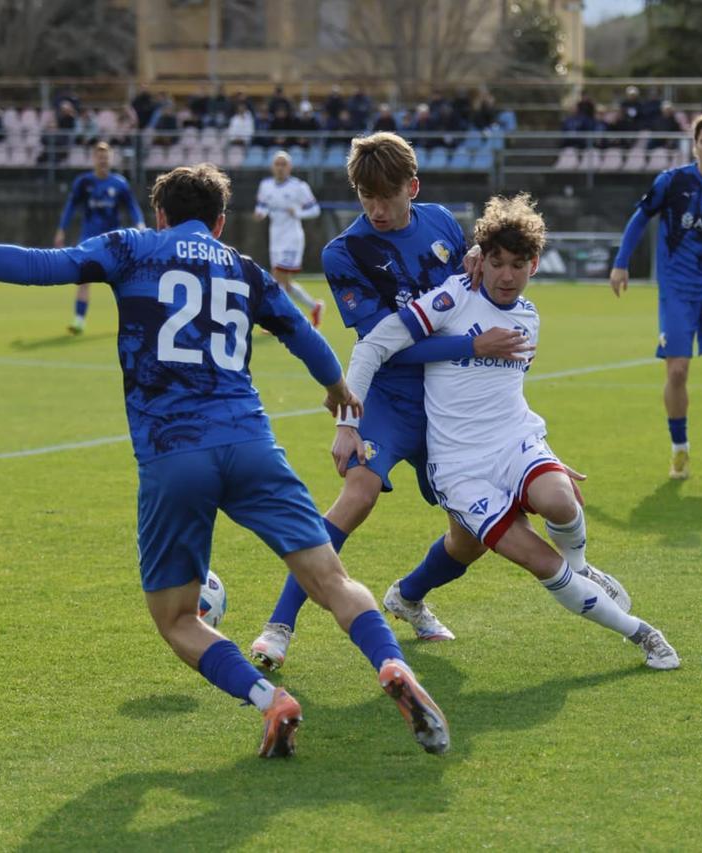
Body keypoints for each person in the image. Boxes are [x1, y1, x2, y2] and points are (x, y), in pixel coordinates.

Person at [0, 164, 451, 759]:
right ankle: (391, 664)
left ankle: (269, 700)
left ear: (159, 215)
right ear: (221, 222)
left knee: (178, 618)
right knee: (331, 580)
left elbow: (34, 266)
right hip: (252, 444)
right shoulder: (244, 268)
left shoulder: (130, 248)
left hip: (174, 454)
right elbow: (305, 338)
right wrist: (336, 389)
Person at [340, 194, 680, 670]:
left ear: (534, 265)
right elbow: (375, 345)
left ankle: (580, 570)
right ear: (483, 260)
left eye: (517, 265)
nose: (504, 275)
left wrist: (546, 451)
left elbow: (502, 396)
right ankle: (642, 633)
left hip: (512, 444)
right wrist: (346, 422)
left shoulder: (529, 319)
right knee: (531, 558)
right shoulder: (453, 296)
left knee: (561, 500)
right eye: (495, 262)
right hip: (459, 467)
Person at [248, 132, 532, 669]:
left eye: (387, 197)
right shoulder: (344, 252)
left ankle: (409, 596)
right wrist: (470, 346)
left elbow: (475, 290)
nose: (376, 210)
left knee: (470, 535)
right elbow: (385, 346)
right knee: (358, 492)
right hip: (393, 397)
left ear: (413, 188)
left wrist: (478, 256)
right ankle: (279, 624)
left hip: (451, 403)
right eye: (365, 197)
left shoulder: (443, 222)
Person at [609, 112, 702, 481]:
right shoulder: (673, 182)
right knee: (677, 370)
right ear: (695, 145)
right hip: (677, 292)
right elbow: (640, 218)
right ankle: (680, 451)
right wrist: (621, 263)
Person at [53, 142, 146, 335]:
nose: (103, 160)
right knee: (84, 279)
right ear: (94, 159)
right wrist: (62, 229)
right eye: (99, 157)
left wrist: (140, 225)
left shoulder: (119, 183)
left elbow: (132, 207)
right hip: (89, 239)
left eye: (106, 157)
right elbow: (71, 207)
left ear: (110, 159)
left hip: (114, 240)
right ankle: (78, 321)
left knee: (126, 280)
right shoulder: (84, 182)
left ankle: (134, 322)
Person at [254, 151, 324, 326]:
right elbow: (262, 206)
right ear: (272, 167)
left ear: (290, 167)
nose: (280, 168)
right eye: (277, 164)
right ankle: (314, 306)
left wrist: (298, 212)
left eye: (283, 164)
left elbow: (315, 209)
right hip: (275, 237)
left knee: (277, 279)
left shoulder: (299, 187)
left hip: (292, 237)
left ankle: (282, 318)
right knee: (285, 282)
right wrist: (260, 213)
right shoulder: (265, 185)